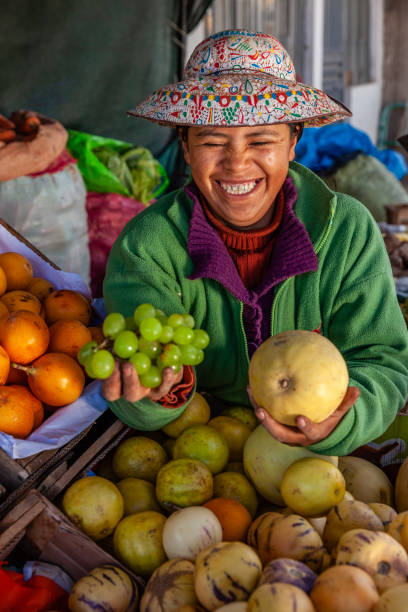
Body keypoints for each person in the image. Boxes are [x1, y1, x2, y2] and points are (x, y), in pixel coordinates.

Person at [102, 29, 408, 456]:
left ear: (293, 143)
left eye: (262, 140)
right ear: (186, 148)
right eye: (212, 141)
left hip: (319, 463)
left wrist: (344, 420)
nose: (237, 164)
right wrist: (157, 394)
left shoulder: (348, 230)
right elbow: (137, 381)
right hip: (196, 459)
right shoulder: (147, 246)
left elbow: (383, 362)